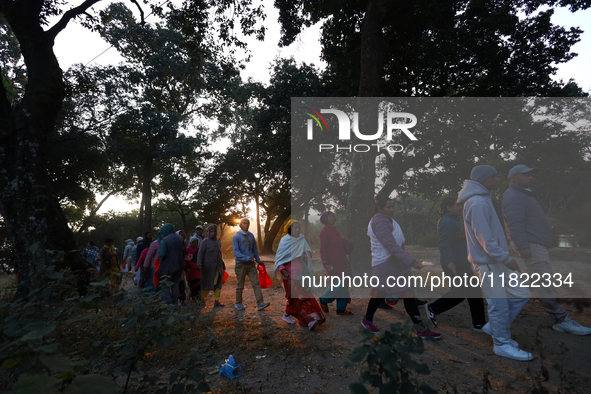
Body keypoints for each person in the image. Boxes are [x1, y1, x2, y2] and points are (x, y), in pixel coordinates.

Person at [502, 164, 591, 335]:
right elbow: (515, 224)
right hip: (532, 246)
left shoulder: (521, 194)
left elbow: (528, 218)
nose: (531, 177)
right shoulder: (514, 196)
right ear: (514, 178)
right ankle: (561, 320)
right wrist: (523, 247)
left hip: (535, 244)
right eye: (526, 174)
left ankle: (504, 311)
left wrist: (549, 220)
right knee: (544, 284)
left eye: (531, 174)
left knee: (539, 282)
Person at [458, 164, 533, 361]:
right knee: (498, 305)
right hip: (488, 263)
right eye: (494, 176)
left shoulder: (483, 199)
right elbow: (485, 239)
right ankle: (501, 343)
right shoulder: (477, 203)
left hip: (496, 261)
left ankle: (494, 327)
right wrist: (508, 259)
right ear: (483, 179)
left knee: (521, 293)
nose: (498, 179)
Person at [361, 196, 441, 339]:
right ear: (380, 208)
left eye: (393, 207)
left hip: (398, 263)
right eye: (388, 207)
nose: (392, 210)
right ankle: (367, 320)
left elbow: (399, 246)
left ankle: (421, 329)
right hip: (385, 264)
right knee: (379, 293)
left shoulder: (389, 220)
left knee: (409, 295)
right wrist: (411, 261)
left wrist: (410, 259)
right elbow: (390, 245)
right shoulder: (379, 221)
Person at [424, 197, 487, 331]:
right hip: (454, 263)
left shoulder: (457, 220)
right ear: (449, 207)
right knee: (461, 292)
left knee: (472, 291)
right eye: (457, 205)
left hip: (462, 262)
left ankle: (480, 323)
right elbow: (444, 243)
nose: (461, 207)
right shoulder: (447, 221)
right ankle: (432, 308)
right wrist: (450, 261)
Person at [274, 220, 326, 331]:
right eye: (295, 228)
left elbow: (307, 255)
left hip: (301, 275)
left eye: (299, 228)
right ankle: (306, 319)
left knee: (303, 297)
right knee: (295, 298)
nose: (297, 230)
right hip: (288, 276)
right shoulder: (285, 241)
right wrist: (283, 270)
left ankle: (306, 319)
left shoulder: (302, 240)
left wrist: (304, 256)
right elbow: (280, 259)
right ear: (289, 229)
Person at [318, 211, 353, 315]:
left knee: (345, 284)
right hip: (333, 264)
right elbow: (322, 249)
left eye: (333, 216)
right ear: (325, 219)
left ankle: (341, 309)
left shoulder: (335, 230)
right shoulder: (324, 231)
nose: (332, 218)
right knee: (338, 285)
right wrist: (325, 263)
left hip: (342, 261)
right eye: (330, 217)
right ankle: (324, 300)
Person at [232, 218, 270, 311]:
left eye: (247, 223)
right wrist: (246, 258)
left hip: (251, 265)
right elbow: (236, 252)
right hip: (240, 264)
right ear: (240, 225)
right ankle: (238, 303)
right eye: (244, 223)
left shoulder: (251, 236)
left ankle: (260, 303)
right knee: (240, 285)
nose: (246, 225)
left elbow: (255, 250)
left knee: (256, 283)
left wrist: (258, 260)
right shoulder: (236, 237)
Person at [197, 224, 226, 307]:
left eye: (214, 231)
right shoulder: (204, 242)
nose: (213, 233)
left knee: (217, 284)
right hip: (207, 268)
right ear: (208, 232)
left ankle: (216, 301)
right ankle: (202, 300)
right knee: (206, 283)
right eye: (211, 231)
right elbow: (200, 254)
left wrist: (223, 263)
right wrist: (199, 264)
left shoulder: (218, 242)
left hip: (217, 267)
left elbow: (220, 254)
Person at [157, 224, 185, 305]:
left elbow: (162, 254)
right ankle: (175, 303)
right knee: (175, 285)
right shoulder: (180, 238)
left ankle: (170, 304)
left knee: (165, 286)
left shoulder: (165, 240)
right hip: (179, 266)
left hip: (167, 267)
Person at [185, 236, 202, 300]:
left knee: (199, 287)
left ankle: (198, 299)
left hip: (198, 272)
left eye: (197, 243)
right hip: (191, 272)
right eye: (194, 243)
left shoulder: (198, 250)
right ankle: (194, 299)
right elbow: (188, 261)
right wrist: (197, 266)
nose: (196, 244)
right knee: (193, 287)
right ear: (190, 243)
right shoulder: (187, 250)